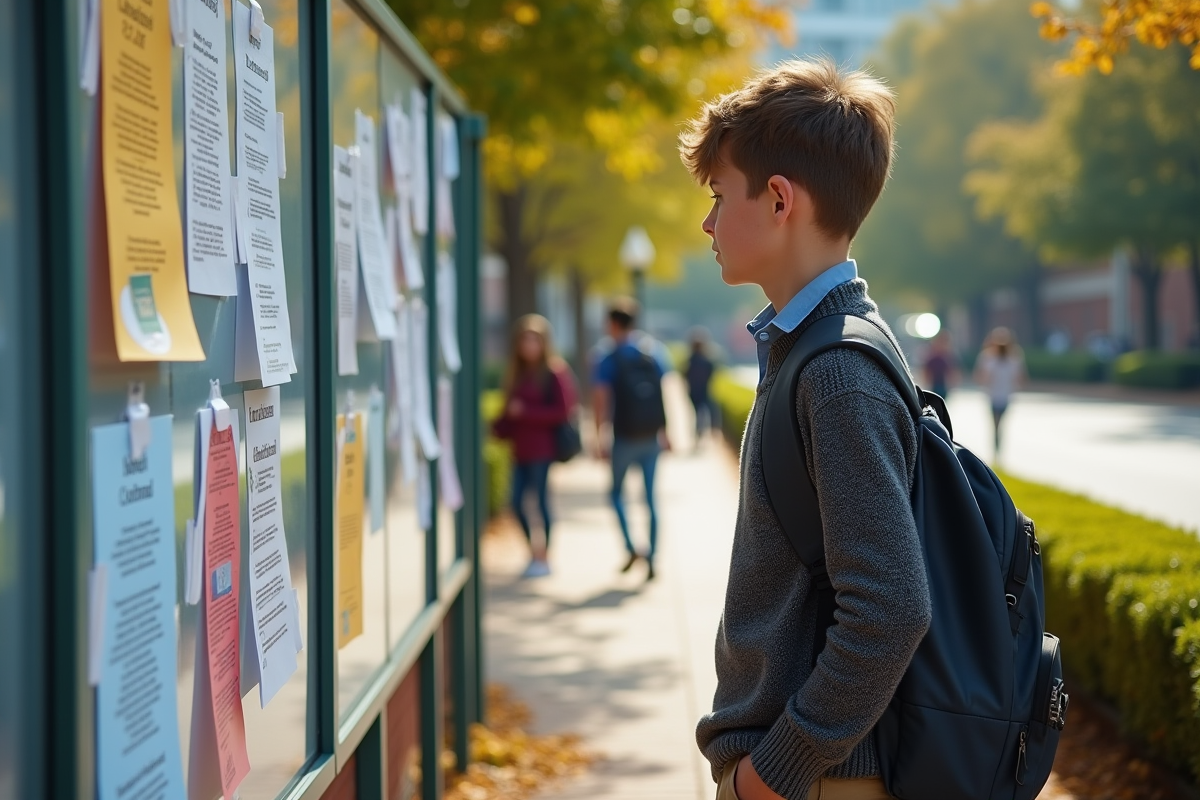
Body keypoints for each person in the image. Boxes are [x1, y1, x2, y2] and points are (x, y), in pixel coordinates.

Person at [679, 59, 931, 800]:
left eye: (721, 195)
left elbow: (890, 608)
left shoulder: (835, 372)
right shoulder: (818, 346)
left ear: (780, 199)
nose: (709, 221)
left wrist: (772, 773)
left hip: (819, 781)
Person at [592, 298, 671, 581]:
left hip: (624, 437)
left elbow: (601, 399)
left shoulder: (606, 356)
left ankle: (630, 547)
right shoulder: (654, 352)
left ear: (612, 324)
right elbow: (664, 392)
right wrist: (667, 431)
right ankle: (652, 556)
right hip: (651, 435)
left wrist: (598, 435)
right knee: (650, 499)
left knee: (616, 494)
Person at [491, 315, 576, 578]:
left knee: (540, 502)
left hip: (543, 449)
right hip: (520, 449)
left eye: (534, 340)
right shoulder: (516, 373)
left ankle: (545, 554)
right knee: (516, 503)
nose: (529, 346)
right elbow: (509, 413)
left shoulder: (554, 372)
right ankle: (532, 551)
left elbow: (563, 411)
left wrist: (525, 413)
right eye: (524, 340)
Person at [974, 326, 1026, 455]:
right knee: (995, 424)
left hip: (1005, 395)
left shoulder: (1014, 357)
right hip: (993, 395)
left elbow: (1020, 377)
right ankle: (996, 449)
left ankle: (998, 448)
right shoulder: (988, 357)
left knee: (1000, 423)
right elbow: (980, 377)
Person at [685, 327, 718, 448]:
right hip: (704, 391)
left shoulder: (690, 360)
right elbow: (712, 374)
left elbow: (685, 375)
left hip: (693, 392)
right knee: (706, 413)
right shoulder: (706, 360)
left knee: (698, 413)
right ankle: (706, 431)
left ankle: (699, 432)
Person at [921, 331, 956, 399]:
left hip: (943, 386)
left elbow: (951, 371)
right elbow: (926, 372)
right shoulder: (932, 358)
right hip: (934, 386)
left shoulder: (947, 357)